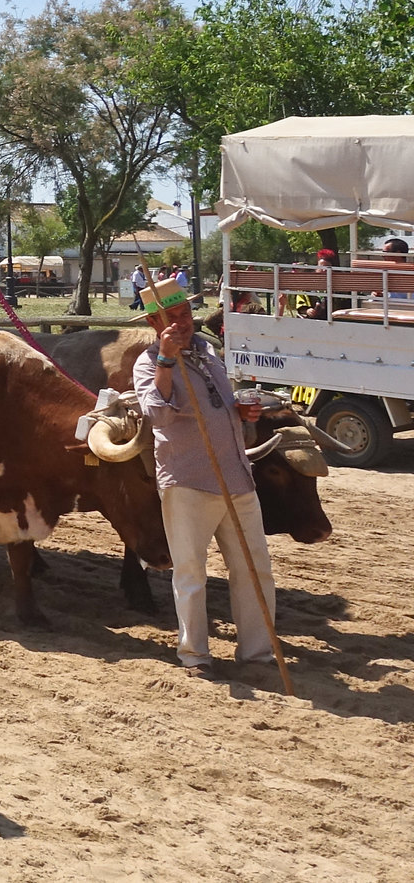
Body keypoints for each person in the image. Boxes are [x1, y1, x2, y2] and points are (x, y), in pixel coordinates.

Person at [132, 275, 275, 678]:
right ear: (154, 325)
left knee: (254, 567)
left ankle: (258, 654)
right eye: (170, 316)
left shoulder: (209, 352)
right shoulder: (147, 362)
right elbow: (157, 413)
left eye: (185, 312)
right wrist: (165, 359)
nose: (181, 321)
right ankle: (195, 656)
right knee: (191, 571)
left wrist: (241, 412)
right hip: (188, 479)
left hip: (236, 476)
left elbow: (221, 406)